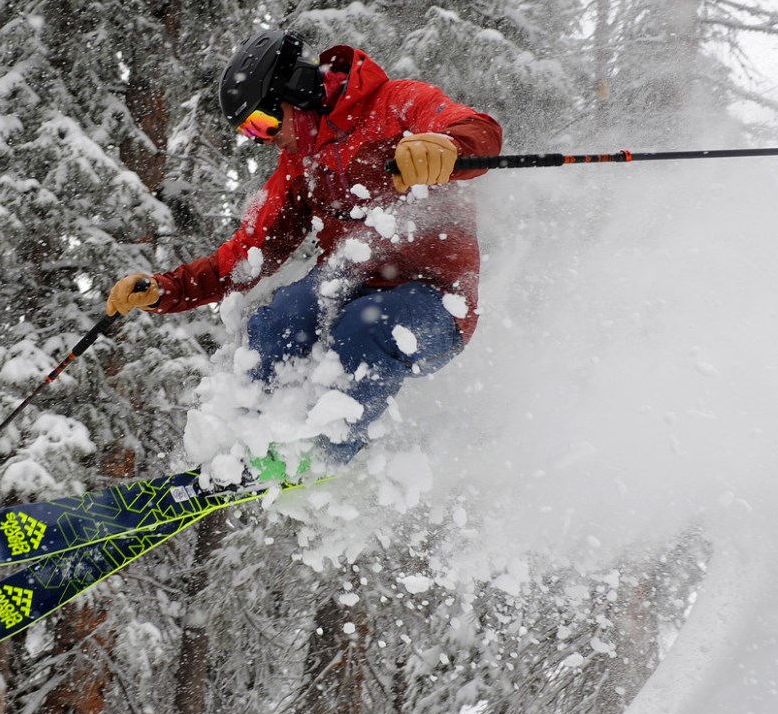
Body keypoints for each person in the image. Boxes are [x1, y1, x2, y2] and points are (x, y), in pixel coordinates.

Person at [106, 28, 502, 464]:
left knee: (362, 327)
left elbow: (477, 129)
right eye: (251, 132)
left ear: (298, 91)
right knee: (282, 316)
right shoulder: (301, 162)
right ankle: (245, 444)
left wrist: (445, 145)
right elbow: (247, 254)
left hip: (436, 301)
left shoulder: (396, 102)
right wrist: (167, 289)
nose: (264, 138)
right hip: (349, 284)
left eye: (263, 122)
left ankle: (322, 457)